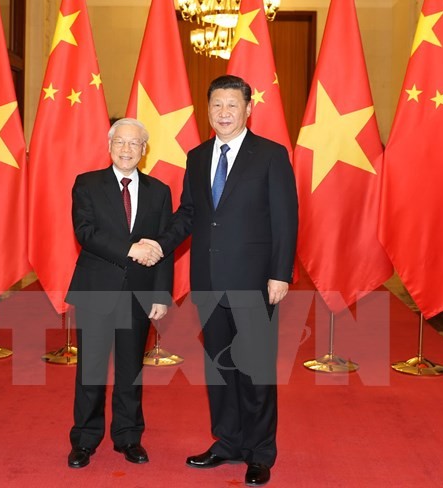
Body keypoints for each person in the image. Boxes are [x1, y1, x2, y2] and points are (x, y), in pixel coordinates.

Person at [142, 75, 298, 486]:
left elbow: (285, 218)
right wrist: (158, 244)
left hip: (254, 281)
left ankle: (260, 452)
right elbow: (190, 215)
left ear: (248, 109)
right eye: (216, 105)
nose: (223, 113)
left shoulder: (271, 155)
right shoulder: (196, 156)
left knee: (255, 370)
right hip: (208, 281)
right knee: (219, 367)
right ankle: (227, 442)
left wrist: (280, 273)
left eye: (232, 105)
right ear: (207, 109)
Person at [65, 118, 173, 469]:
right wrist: (131, 249)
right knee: (91, 371)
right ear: (109, 146)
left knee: (130, 371)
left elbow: (163, 248)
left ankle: (128, 437)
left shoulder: (159, 191)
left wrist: (161, 295)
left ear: (145, 151)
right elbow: (85, 232)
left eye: (134, 144)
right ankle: (84, 438)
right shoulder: (87, 184)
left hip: (138, 294)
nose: (127, 149)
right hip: (96, 290)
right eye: (120, 142)